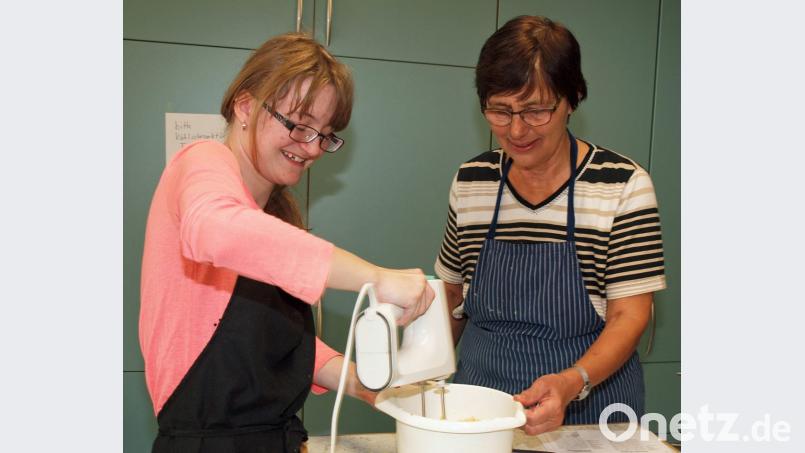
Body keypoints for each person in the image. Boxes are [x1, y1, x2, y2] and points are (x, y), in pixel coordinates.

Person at [139, 32, 434, 453]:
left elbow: (274, 345)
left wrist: (365, 385)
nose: (312, 148)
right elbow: (215, 229)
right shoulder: (202, 162)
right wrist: (375, 277)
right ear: (245, 106)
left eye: (325, 134)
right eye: (299, 126)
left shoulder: (274, 217)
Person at [433, 16, 667, 435]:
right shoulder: (473, 182)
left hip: (590, 411)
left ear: (573, 97)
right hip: (481, 410)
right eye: (500, 111)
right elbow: (452, 294)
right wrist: (424, 377)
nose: (517, 130)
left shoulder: (622, 185)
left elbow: (630, 315)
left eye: (536, 110)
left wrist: (571, 381)